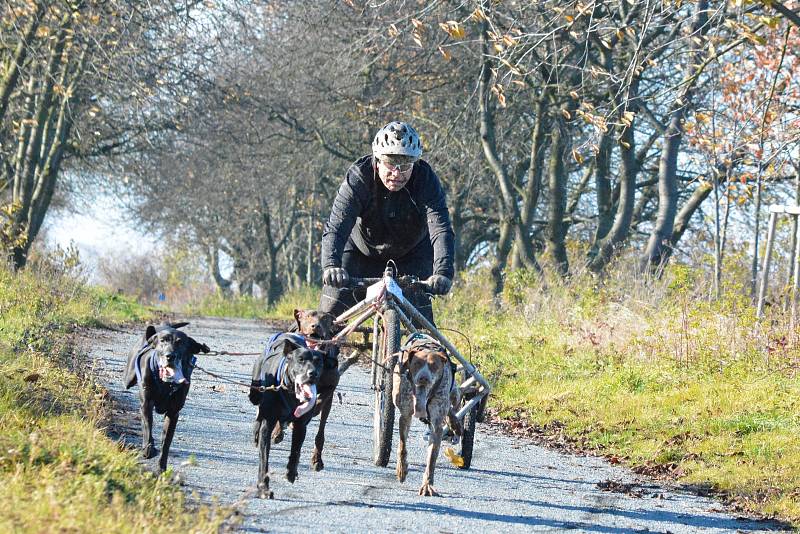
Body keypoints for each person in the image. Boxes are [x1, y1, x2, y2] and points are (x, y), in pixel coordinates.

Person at [319, 121, 455, 325]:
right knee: (327, 320)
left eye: (405, 166)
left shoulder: (426, 180)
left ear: (415, 164)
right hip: (360, 254)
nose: (397, 174)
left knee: (423, 329)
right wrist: (331, 265)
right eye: (390, 164)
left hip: (412, 257)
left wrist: (443, 272)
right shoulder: (360, 177)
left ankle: (419, 346)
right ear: (377, 161)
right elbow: (337, 226)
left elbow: (441, 228)